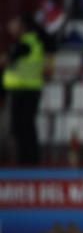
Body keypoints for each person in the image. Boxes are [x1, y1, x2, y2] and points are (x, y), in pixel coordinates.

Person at [3, 14, 45, 165]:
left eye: (14, 23)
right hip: (23, 90)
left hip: (27, 91)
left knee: (24, 128)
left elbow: (7, 59)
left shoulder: (28, 43)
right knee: (21, 128)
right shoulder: (24, 42)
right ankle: (27, 161)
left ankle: (29, 162)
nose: (11, 27)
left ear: (22, 26)